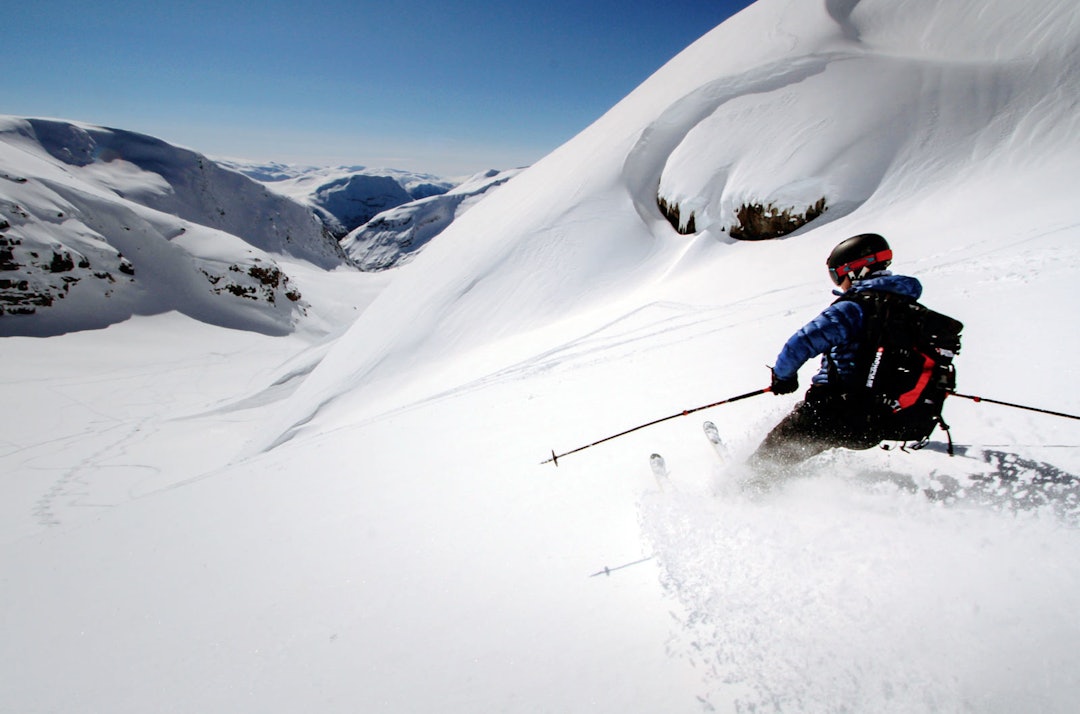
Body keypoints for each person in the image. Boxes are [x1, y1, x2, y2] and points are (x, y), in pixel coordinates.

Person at [749, 233, 922, 471]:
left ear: (855, 270)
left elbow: (800, 343)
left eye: (837, 275)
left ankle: (739, 491)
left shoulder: (853, 309)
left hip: (834, 412)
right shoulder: (910, 310)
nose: (839, 283)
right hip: (881, 421)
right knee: (809, 442)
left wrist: (783, 377)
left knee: (765, 462)